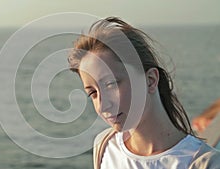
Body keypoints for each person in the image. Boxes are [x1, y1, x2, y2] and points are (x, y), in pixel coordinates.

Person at [68, 17, 220, 169]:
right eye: (93, 93)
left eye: (111, 84)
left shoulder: (204, 163)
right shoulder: (105, 147)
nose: (102, 106)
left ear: (151, 80)